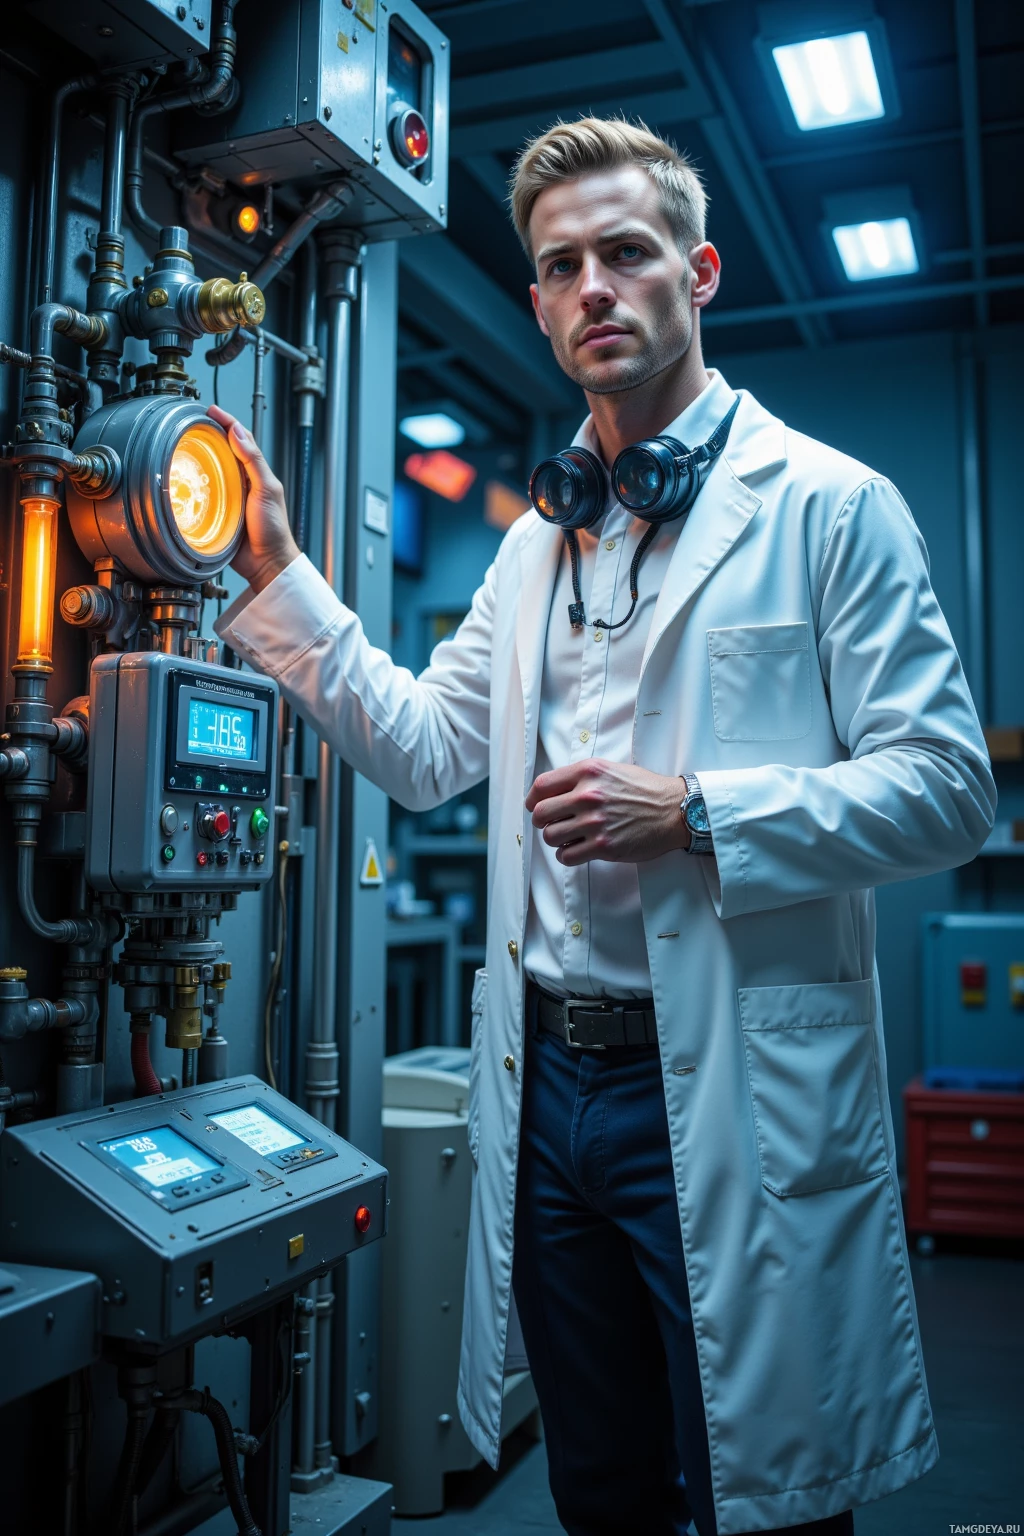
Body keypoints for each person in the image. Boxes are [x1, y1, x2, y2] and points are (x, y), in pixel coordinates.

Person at [208, 117, 995, 1536]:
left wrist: (694, 813)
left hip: (732, 1086)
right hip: (554, 1091)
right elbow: (427, 750)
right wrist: (279, 578)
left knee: (765, 1490)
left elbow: (948, 785)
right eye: (562, 264)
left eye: (627, 254)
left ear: (698, 273)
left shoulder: (828, 506)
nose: (595, 288)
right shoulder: (531, 547)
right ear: (537, 303)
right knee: (603, 1485)